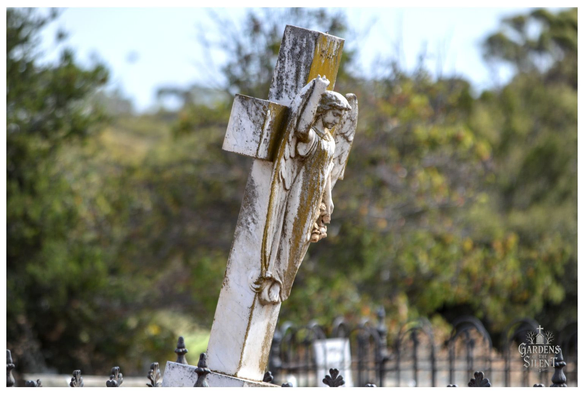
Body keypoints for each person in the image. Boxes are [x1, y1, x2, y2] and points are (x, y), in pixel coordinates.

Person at [254, 76, 353, 305]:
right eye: (335, 114)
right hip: (299, 191)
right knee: (290, 234)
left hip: (316, 194)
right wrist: (318, 89)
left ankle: (284, 281)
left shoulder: (329, 140)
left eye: (340, 116)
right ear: (323, 110)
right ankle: (274, 277)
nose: (337, 120)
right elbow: (300, 126)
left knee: (301, 242)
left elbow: (328, 171)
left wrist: (328, 199)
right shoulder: (311, 136)